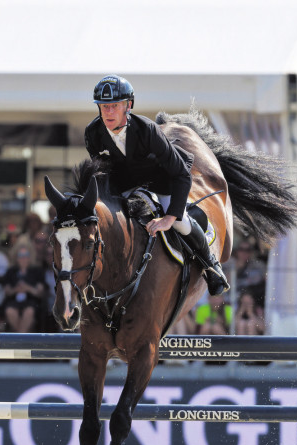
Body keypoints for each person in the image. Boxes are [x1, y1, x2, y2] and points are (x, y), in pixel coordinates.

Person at [84, 74, 229, 295]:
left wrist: (170, 218)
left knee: (181, 222)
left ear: (128, 105)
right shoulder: (93, 133)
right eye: (104, 107)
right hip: (126, 184)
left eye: (115, 106)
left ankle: (211, 266)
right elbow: (104, 173)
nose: (108, 112)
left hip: (162, 180)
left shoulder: (147, 130)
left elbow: (181, 174)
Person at [1, 246, 47, 333]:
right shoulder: (11, 271)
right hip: (13, 301)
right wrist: (16, 289)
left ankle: (19, 338)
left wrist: (28, 288)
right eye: (20, 255)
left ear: (29, 258)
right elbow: (7, 290)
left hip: (31, 301)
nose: (23, 258)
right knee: (10, 311)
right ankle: (22, 336)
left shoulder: (36, 271)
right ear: (17, 258)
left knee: (29, 312)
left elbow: (40, 292)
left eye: (26, 255)